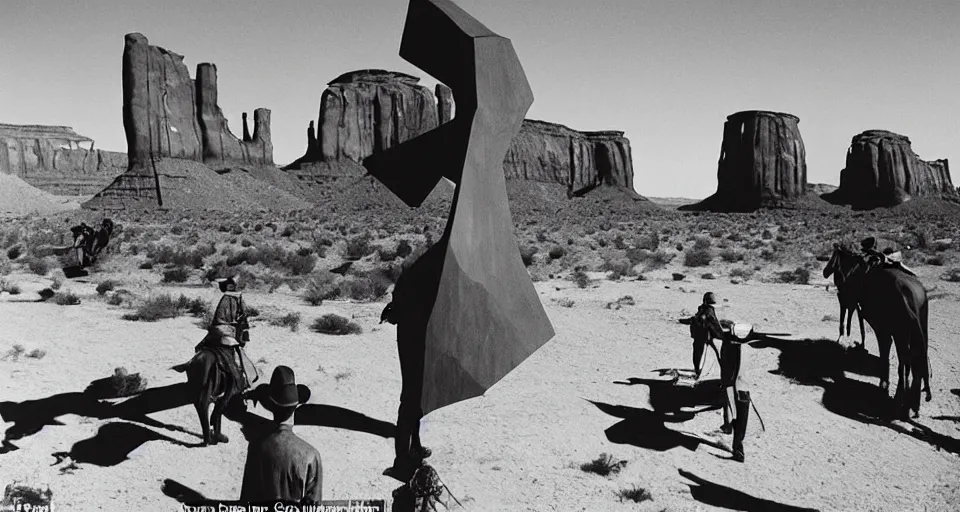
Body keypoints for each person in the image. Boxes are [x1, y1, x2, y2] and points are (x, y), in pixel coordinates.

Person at [380, 244, 446, 481]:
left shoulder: (414, 277)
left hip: (417, 343)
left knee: (414, 399)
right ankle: (401, 460)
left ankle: (415, 446)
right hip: (413, 346)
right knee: (410, 400)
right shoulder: (416, 281)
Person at [240, 366, 322, 503]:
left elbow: (247, 500)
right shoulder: (311, 454)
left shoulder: (256, 448)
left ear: (271, 407)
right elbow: (314, 504)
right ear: (297, 406)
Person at [196, 277, 253, 393]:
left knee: (198, 348)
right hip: (228, 332)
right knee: (239, 358)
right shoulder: (239, 298)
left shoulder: (221, 298)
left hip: (215, 331)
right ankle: (244, 381)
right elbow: (244, 316)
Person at [718, 319, 751, 463]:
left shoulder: (727, 347)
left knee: (733, 414)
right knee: (742, 419)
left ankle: (729, 429)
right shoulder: (745, 347)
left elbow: (726, 369)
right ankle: (738, 448)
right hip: (744, 387)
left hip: (732, 387)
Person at [689, 292, 724, 379]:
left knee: (698, 353)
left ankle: (697, 369)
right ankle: (724, 370)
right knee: (717, 352)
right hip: (706, 335)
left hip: (701, 336)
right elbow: (714, 323)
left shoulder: (703, 309)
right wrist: (721, 334)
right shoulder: (708, 310)